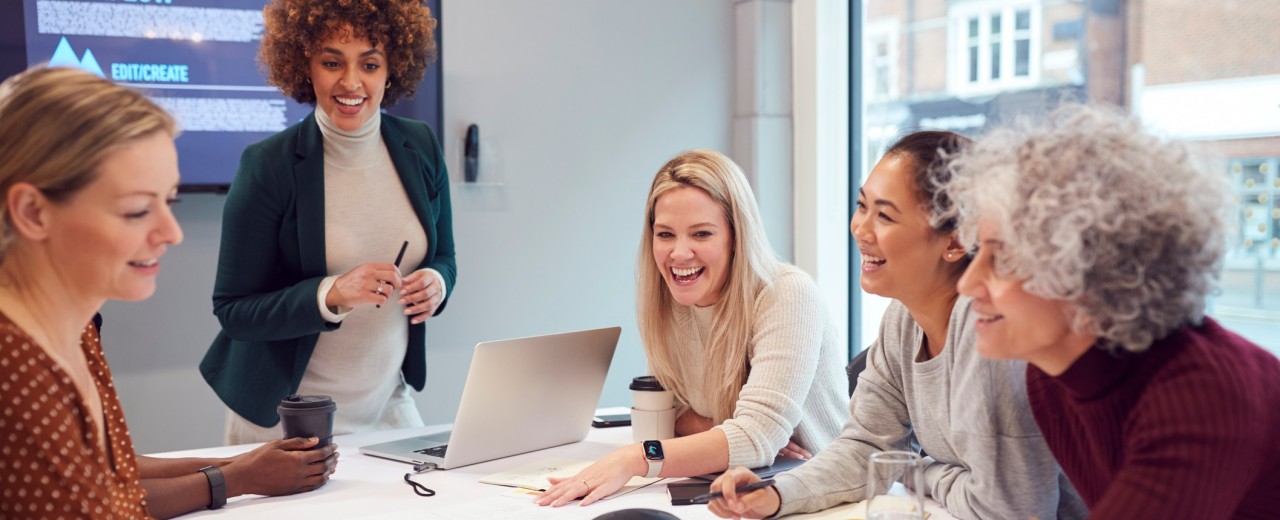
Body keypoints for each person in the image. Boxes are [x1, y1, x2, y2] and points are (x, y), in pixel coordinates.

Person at [0, 66, 338, 518]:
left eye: (169, 202)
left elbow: (110, 474)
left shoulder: (76, 328)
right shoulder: (14, 365)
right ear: (32, 212)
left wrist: (239, 466)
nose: (171, 232)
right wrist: (233, 477)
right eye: (138, 210)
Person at [707, 131, 1085, 520]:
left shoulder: (988, 333)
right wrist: (777, 494)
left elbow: (1009, 510)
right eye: (861, 206)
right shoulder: (903, 320)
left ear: (955, 242)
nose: (860, 229)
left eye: (884, 216)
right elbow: (865, 448)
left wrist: (918, 469)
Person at [944, 104, 1280, 518]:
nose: (966, 284)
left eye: (1005, 258)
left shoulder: (1204, 391)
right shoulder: (1051, 378)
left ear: (1092, 270)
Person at [201, 0, 456, 443]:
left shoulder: (421, 146)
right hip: (287, 414)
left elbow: (445, 255)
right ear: (306, 66)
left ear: (392, 69)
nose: (351, 82)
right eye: (332, 62)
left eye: (370, 64)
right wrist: (331, 293)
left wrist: (437, 281)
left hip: (387, 402)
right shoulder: (268, 165)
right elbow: (235, 311)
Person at [536, 149, 847, 507]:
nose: (679, 254)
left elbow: (758, 436)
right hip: (739, 491)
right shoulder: (671, 300)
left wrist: (637, 457)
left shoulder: (787, 294)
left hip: (822, 498)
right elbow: (672, 413)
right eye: (665, 234)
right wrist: (733, 435)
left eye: (701, 234)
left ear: (737, 237)